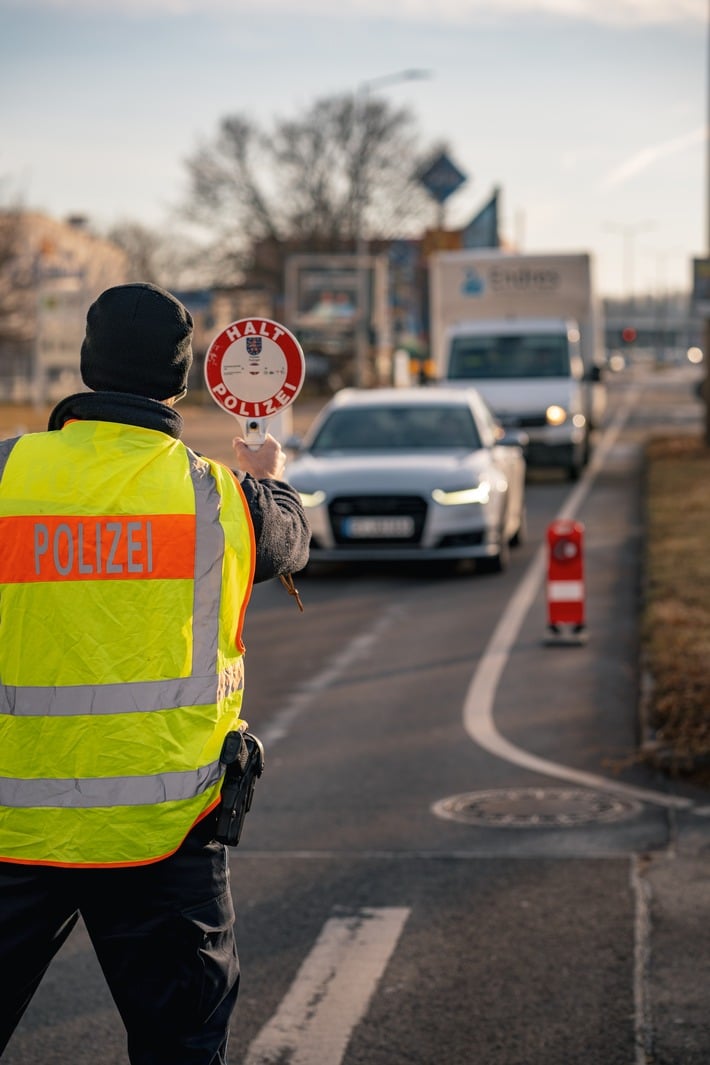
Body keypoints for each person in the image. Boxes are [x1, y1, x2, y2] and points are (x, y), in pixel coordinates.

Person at [0, 283, 310, 1064]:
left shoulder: (7, 472)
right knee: (181, 1048)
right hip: (165, 838)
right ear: (179, 382)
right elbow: (292, 535)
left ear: (85, 366)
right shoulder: (221, 497)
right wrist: (268, 472)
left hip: (11, 831)